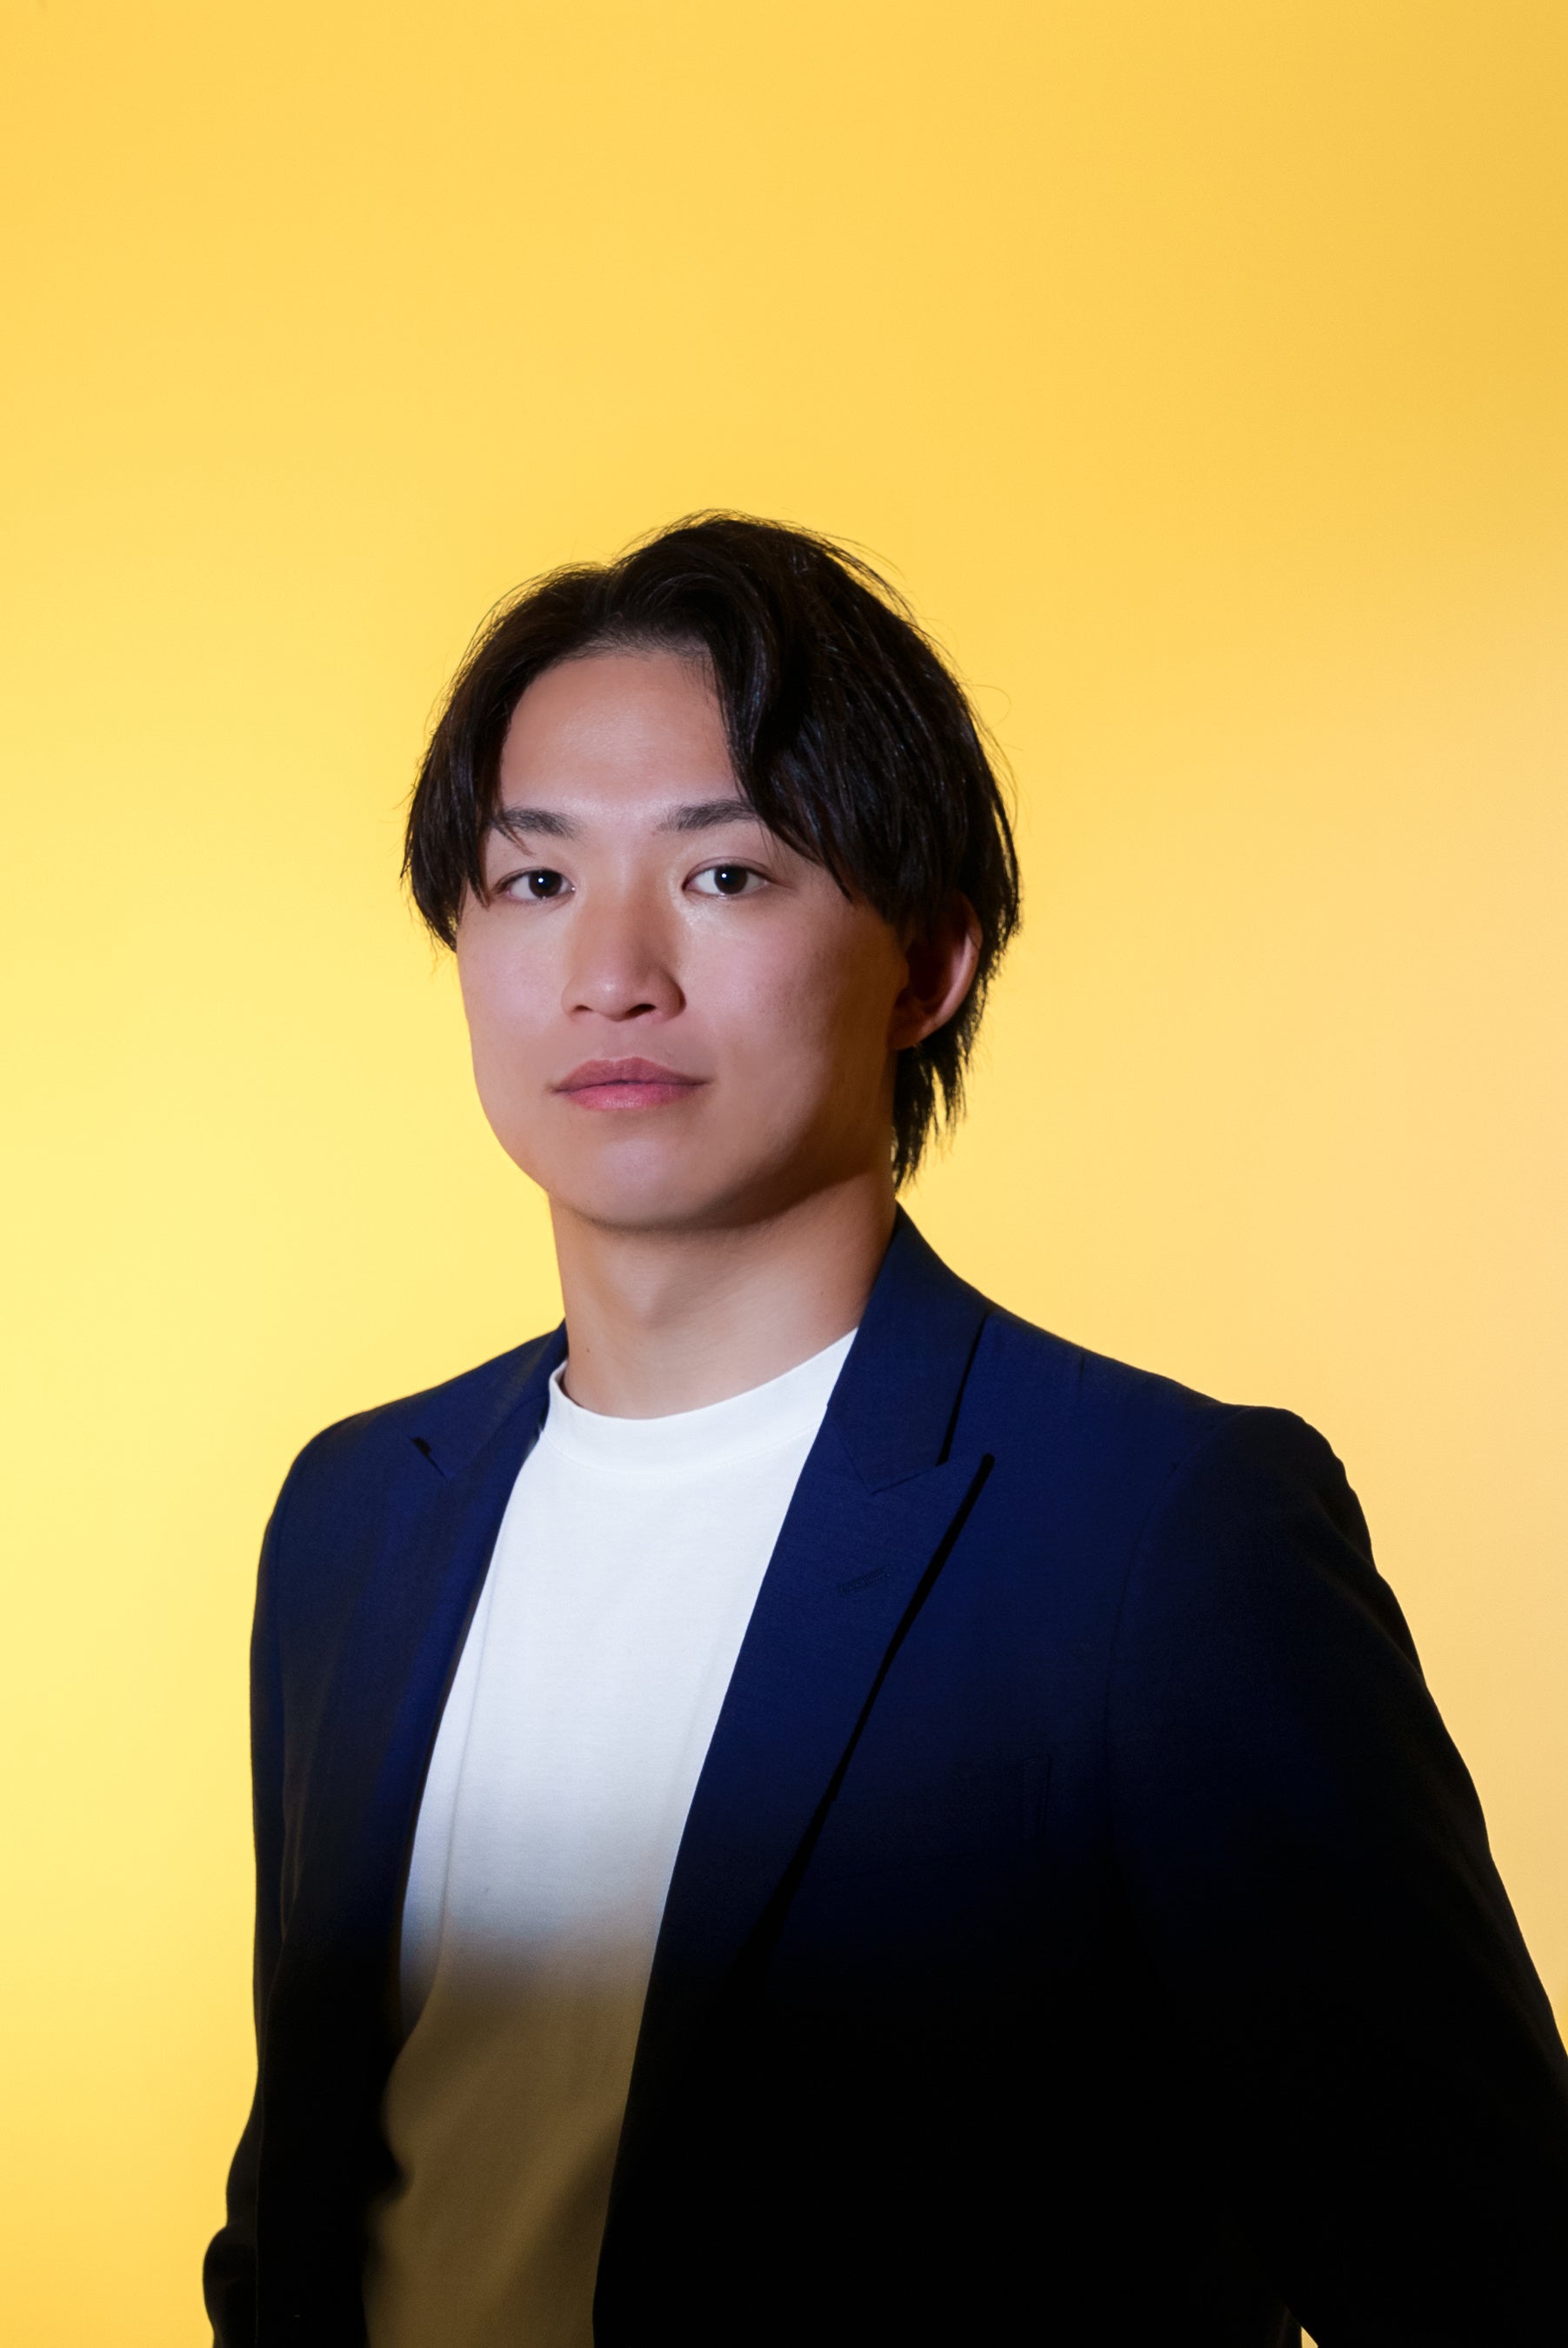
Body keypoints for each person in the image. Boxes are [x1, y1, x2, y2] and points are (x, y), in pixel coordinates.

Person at [205, 514, 1568, 2348]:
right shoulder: (358, 1512)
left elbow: (1483, 2273)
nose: (611, 970)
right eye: (533, 880)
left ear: (927, 965)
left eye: (727, 874)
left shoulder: (1158, 1540)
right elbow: (310, 2210)